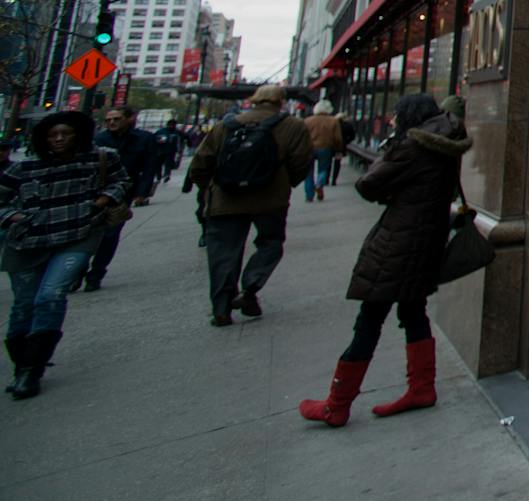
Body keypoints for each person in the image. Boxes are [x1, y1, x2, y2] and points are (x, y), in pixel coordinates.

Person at [299, 93, 468, 427]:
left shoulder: (412, 146)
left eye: (396, 114)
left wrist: (393, 148)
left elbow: (369, 184)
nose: (391, 118)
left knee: (369, 319)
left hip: (400, 241)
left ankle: (338, 403)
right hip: (427, 240)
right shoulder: (446, 144)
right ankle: (421, 387)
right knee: (413, 311)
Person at [1, 111, 132, 399]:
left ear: (78, 136)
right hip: (27, 243)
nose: (59, 139)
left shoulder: (100, 158)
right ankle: (21, 365)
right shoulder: (23, 167)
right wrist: (13, 217)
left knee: (50, 295)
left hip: (77, 236)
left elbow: (121, 182)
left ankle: (31, 370)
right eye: (53, 135)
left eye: (65, 133)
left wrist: (102, 201)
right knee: (24, 304)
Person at [183, 84, 311, 326]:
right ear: (281, 101)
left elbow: (201, 162)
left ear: (254, 100)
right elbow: (301, 162)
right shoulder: (293, 126)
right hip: (270, 198)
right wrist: (285, 182)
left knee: (223, 252)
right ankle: (250, 288)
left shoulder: (226, 125)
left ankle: (221, 309)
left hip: (226, 197)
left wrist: (209, 188)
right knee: (270, 243)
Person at [75, 106, 160, 292]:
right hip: (96, 193)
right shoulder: (99, 139)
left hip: (123, 194)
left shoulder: (144, 138)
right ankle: (77, 272)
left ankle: (96, 273)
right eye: (109, 120)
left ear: (129, 119)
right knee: (87, 233)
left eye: (116, 119)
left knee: (111, 234)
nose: (112, 122)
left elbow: (150, 166)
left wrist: (143, 192)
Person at [300, 99, 344, 203]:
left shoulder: (307, 121)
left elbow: (302, 136)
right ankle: (319, 184)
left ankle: (309, 196)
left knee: (308, 173)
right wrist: (338, 150)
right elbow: (337, 138)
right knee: (323, 169)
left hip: (309, 148)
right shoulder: (333, 121)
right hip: (325, 147)